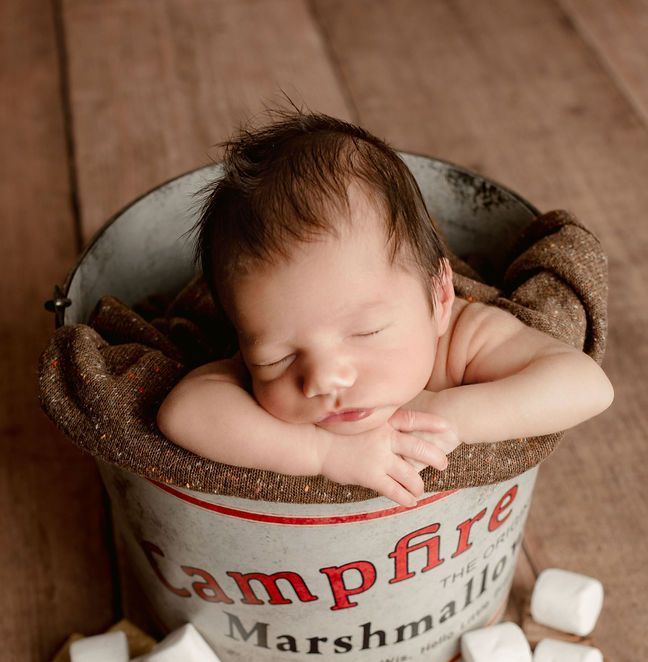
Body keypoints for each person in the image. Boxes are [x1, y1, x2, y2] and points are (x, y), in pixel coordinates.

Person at [157, 106, 614, 507]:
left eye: (367, 332)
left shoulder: (463, 337)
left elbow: (585, 384)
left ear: (437, 297)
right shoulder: (280, 337)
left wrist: (445, 416)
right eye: (277, 357)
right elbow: (185, 413)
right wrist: (322, 454)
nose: (322, 378)